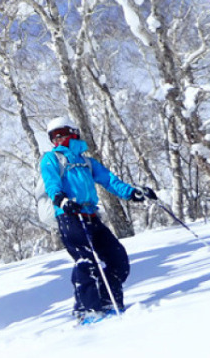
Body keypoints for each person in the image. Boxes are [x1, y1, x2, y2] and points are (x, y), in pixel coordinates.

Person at [40, 116, 156, 323]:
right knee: (87, 262)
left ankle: (108, 302)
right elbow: (51, 182)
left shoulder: (87, 162)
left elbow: (110, 180)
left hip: (91, 215)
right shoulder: (51, 159)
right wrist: (61, 199)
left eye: (62, 134)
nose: (58, 139)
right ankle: (87, 311)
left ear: (74, 132)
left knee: (117, 258)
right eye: (54, 137)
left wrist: (132, 193)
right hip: (69, 216)